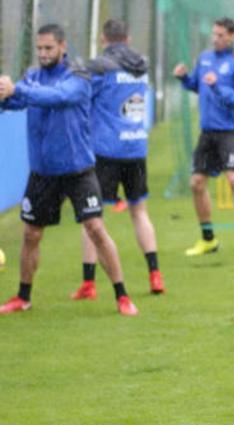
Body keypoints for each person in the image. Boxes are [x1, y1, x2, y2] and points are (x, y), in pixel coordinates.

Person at [0, 24, 137, 316]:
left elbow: (59, 97)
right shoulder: (32, 77)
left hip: (78, 171)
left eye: (48, 48)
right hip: (43, 173)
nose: (43, 53)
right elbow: (18, 100)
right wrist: (4, 96)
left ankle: (122, 296)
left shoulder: (78, 75)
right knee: (30, 235)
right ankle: (23, 297)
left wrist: (19, 89)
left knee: (96, 229)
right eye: (39, 48)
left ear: (63, 46)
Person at [71, 19, 165, 302]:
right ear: (128, 38)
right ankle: (155, 274)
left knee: (92, 219)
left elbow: (83, 98)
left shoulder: (101, 67)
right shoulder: (141, 66)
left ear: (104, 39)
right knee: (140, 212)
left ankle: (89, 284)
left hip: (107, 152)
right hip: (136, 147)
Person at [172, 17, 234, 257]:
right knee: (196, 183)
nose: (215, 38)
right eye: (214, 34)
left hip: (230, 131)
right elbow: (197, 85)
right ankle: (208, 238)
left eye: (220, 35)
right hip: (208, 131)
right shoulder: (205, 59)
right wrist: (184, 78)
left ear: (231, 36)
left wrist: (217, 86)